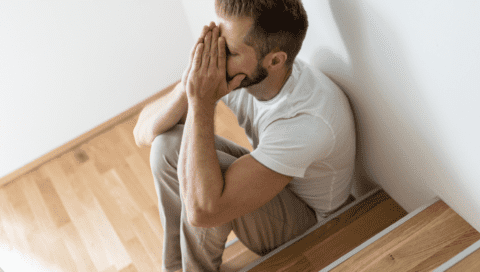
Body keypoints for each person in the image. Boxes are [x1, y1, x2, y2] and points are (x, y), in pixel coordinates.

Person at [133, 0, 356, 271]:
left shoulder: (306, 122)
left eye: (229, 51)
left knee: (205, 190)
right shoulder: (248, 74)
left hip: (314, 225)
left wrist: (201, 102)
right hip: (273, 186)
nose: (217, 56)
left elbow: (204, 211)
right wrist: (189, 82)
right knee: (166, 146)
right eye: (218, 41)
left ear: (274, 60)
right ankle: (176, 268)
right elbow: (142, 133)